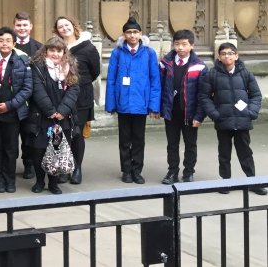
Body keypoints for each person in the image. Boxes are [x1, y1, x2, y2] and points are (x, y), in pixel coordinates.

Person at [199, 43, 267, 195]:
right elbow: (204, 97)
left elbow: (255, 95)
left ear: (236, 56)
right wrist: (215, 114)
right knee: (224, 153)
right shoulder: (212, 74)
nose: (227, 56)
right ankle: (226, 181)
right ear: (219, 56)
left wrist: (252, 112)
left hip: (243, 120)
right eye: (223, 53)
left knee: (245, 153)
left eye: (230, 53)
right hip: (223, 120)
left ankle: (252, 181)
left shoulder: (245, 73)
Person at [105, 17, 161, 185]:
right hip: (123, 103)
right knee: (124, 139)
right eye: (129, 32)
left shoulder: (149, 53)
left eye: (135, 32)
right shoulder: (117, 53)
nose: (132, 35)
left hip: (141, 104)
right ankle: (126, 170)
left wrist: (153, 105)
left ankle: (137, 170)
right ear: (124, 34)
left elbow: (154, 80)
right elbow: (111, 80)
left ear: (140, 34)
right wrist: (111, 103)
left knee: (138, 139)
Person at [0, 27, 33, 194]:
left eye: (8, 41)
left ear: (14, 43)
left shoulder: (22, 61)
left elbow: (27, 88)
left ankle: (10, 179)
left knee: (11, 148)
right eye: (1, 41)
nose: (4, 44)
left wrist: (9, 105)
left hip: (12, 111)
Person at [28, 37, 80, 195]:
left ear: (64, 52)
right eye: (52, 50)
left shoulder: (70, 67)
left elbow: (74, 90)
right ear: (46, 51)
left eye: (59, 51)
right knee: (39, 150)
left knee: (57, 150)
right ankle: (39, 181)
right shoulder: (37, 67)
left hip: (62, 118)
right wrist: (50, 111)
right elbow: (37, 91)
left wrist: (62, 111)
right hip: (41, 116)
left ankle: (53, 183)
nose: (55, 54)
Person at [54, 16, 100, 185]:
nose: (64, 28)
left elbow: (95, 71)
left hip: (82, 96)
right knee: (63, 133)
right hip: (60, 96)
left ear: (73, 26)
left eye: (67, 25)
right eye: (60, 27)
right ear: (57, 30)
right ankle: (64, 167)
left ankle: (77, 167)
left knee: (77, 133)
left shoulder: (88, 48)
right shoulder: (55, 47)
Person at [159, 30, 207, 185]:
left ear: (191, 46)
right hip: (171, 111)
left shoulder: (199, 67)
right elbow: (158, 86)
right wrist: (157, 108)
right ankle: (172, 171)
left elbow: (203, 94)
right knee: (172, 144)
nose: (180, 47)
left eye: (184, 44)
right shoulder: (165, 63)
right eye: (177, 44)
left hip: (189, 112)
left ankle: (188, 172)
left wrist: (199, 116)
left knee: (190, 144)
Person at [13, 12, 41, 181]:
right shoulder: (8, 45)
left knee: (29, 134)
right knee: (11, 136)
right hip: (11, 99)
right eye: (18, 25)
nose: (22, 28)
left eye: (25, 25)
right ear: (14, 26)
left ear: (31, 26)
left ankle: (29, 164)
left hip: (32, 100)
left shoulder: (39, 48)